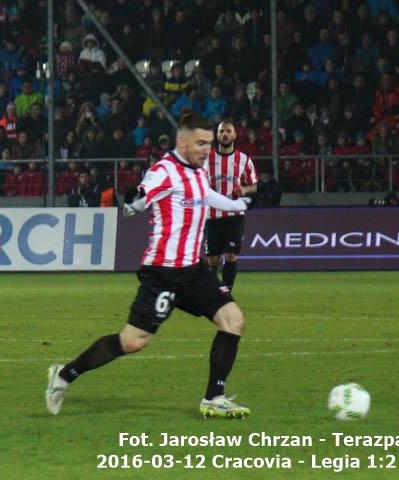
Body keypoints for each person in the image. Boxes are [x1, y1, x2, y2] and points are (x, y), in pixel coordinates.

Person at [46, 112, 252, 419]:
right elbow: (138, 201)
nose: (207, 149)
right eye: (200, 143)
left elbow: (204, 195)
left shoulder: (198, 169)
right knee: (132, 342)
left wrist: (234, 204)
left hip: (193, 271)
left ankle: (214, 397)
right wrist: (133, 200)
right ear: (182, 142)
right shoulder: (163, 172)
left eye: (209, 143)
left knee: (233, 321)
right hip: (163, 273)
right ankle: (64, 375)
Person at [203, 120, 258, 289]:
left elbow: (254, 185)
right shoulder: (206, 159)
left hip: (234, 215)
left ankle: (225, 293)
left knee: (231, 255)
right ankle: (212, 291)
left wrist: (245, 189)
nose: (225, 134)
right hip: (212, 216)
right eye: (221, 131)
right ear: (217, 135)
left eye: (228, 131)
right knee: (213, 259)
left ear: (234, 135)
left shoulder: (244, 160)